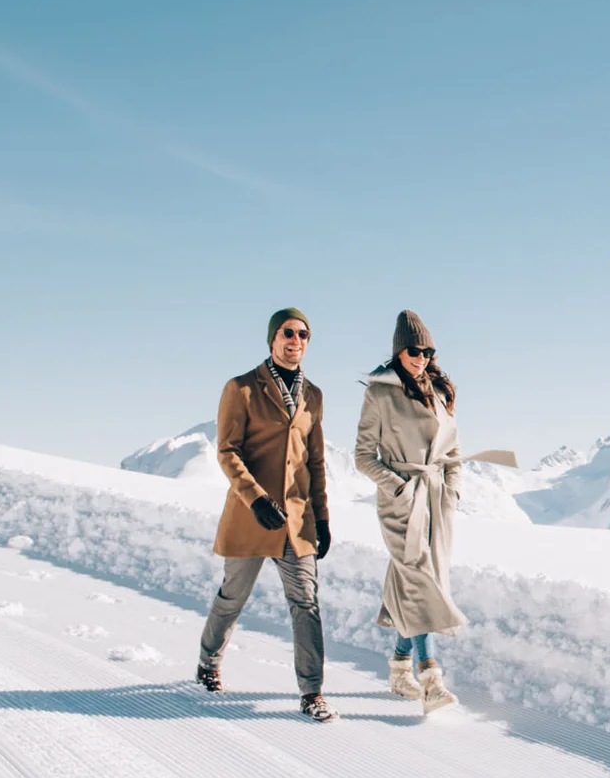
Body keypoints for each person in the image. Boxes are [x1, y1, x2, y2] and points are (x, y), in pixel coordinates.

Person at [197, 307, 335, 721]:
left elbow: (315, 461)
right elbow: (227, 452)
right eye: (288, 334)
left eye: (304, 335)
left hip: (297, 520)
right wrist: (255, 498)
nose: (296, 341)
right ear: (273, 339)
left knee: (306, 603)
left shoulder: (314, 395)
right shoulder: (241, 388)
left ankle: (312, 692)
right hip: (251, 516)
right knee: (233, 596)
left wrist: (323, 518)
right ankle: (208, 662)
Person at [355, 310, 465, 713]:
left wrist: (451, 489)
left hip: (436, 500)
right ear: (399, 351)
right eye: (414, 350)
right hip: (401, 503)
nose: (421, 357)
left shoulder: (438, 391)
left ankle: (399, 666)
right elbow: (363, 456)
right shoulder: (380, 393)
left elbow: (453, 450)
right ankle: (431, 676)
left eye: (428, 350)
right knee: (419, 580)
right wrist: (398, 487)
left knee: (418, 580)